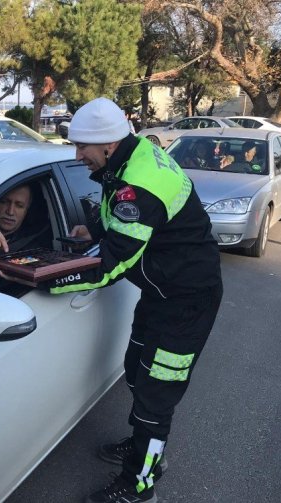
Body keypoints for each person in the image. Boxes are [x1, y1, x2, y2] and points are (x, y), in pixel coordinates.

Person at [42, 97, 223, 503]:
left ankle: (139, 485)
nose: (77, 156)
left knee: (156, 397)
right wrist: (95, 229)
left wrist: (42, 279)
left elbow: (110, 267)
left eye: (82, 147)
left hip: (187, 302)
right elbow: (125, 217)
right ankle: (144, 444)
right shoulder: (128, 158)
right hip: (162, 291)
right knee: (137, 373)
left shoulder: (139, 185)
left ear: (108, 143)